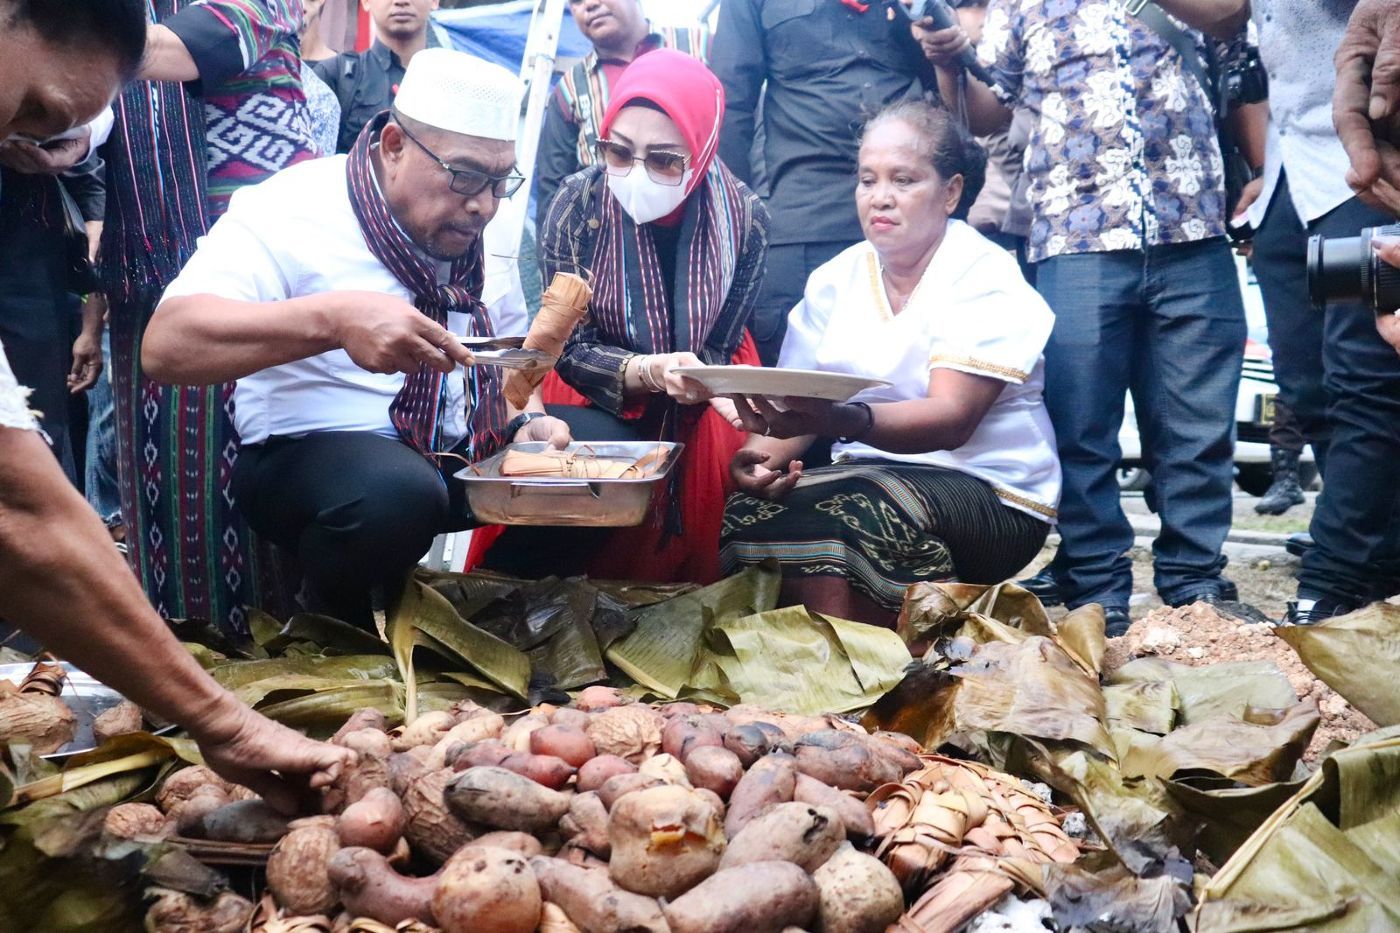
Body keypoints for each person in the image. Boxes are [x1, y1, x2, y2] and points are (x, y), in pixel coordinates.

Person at [0, 0, 350, 807]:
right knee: (157, 500)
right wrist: (68, 129)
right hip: (142, 289)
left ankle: (238, 673)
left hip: (234, 299)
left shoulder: (249, 12)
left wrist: (78, 91)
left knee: (230, 498)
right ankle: (181, 675)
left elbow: (150, 57)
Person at [143, 49, 571, 630]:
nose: (483, 205)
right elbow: (166, 346)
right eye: (465, 175)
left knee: (597, 464)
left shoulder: (478, 226)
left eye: (500, 182)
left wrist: (532, 420)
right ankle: (337, 627)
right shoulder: (294, 206)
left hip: (461, 453)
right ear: (394, 145)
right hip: (313, 463)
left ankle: (503, 620)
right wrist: (335, 321)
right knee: (395, 495)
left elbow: (506, 363)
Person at [920, 1, 1249, 634]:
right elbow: (989, 110)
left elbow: (1232, 23)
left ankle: (1194, 582)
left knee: (1197, 426)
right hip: (1074, 236)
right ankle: (1099, 585)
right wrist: (949, 63)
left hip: (1193, 225)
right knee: (1080, 427)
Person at [720, 102, 1058, 628]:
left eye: (904, 180)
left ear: (950, 192)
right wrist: (758, 459)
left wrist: (845, 421)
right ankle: (818, 652)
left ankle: (896, 648)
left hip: (992, 490)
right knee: (746, 514)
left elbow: (953, 418)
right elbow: (797, 401)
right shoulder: (837, 278)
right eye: (867, 180)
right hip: (871, 474)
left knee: (860, 507)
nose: (880, 197)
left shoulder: (983, 272)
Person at [486, 49, 768, 584]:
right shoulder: (579, 202)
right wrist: (645, 372)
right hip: (587, 388)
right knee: (570, 510)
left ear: (703, 151)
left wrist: (694, 380)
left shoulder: (746, 221)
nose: (637, 174)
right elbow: (565, 345)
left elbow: (720, 345)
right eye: (618, 152)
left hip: (699, 400)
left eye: (664, 159)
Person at [1160, 0, 1400, 624]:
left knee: (1366, 384)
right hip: (1289, 180)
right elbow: (1227, 13)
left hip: (1367, 164)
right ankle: (1381, 564)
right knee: (1308, 390)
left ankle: (1334, 577)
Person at [103, 0, 321, 634]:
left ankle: (271, 667)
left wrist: (54, 28)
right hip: (146, 277)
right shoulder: (128, 13)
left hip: (246, 283)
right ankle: (175, 662)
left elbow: (170, 52)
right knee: (155, 488)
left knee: (245, 479)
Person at [711, 0, 933, 365]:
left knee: (917, 389)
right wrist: (739, 226)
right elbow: (730, 103)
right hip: (803, 231)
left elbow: (947, 83)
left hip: (913, 226)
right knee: (798, 405)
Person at [533, 0, 708, 230]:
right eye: (576, 1)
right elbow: (553, 192)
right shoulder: (570, 90)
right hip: (610, 244)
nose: (590, 5)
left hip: (703, 227)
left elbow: (742, 134)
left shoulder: (700, 48)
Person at [314, 0, 440, 155]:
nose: (401, 2)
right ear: (366, 2)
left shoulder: (456, 80)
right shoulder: (335, 75)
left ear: (435, 1)